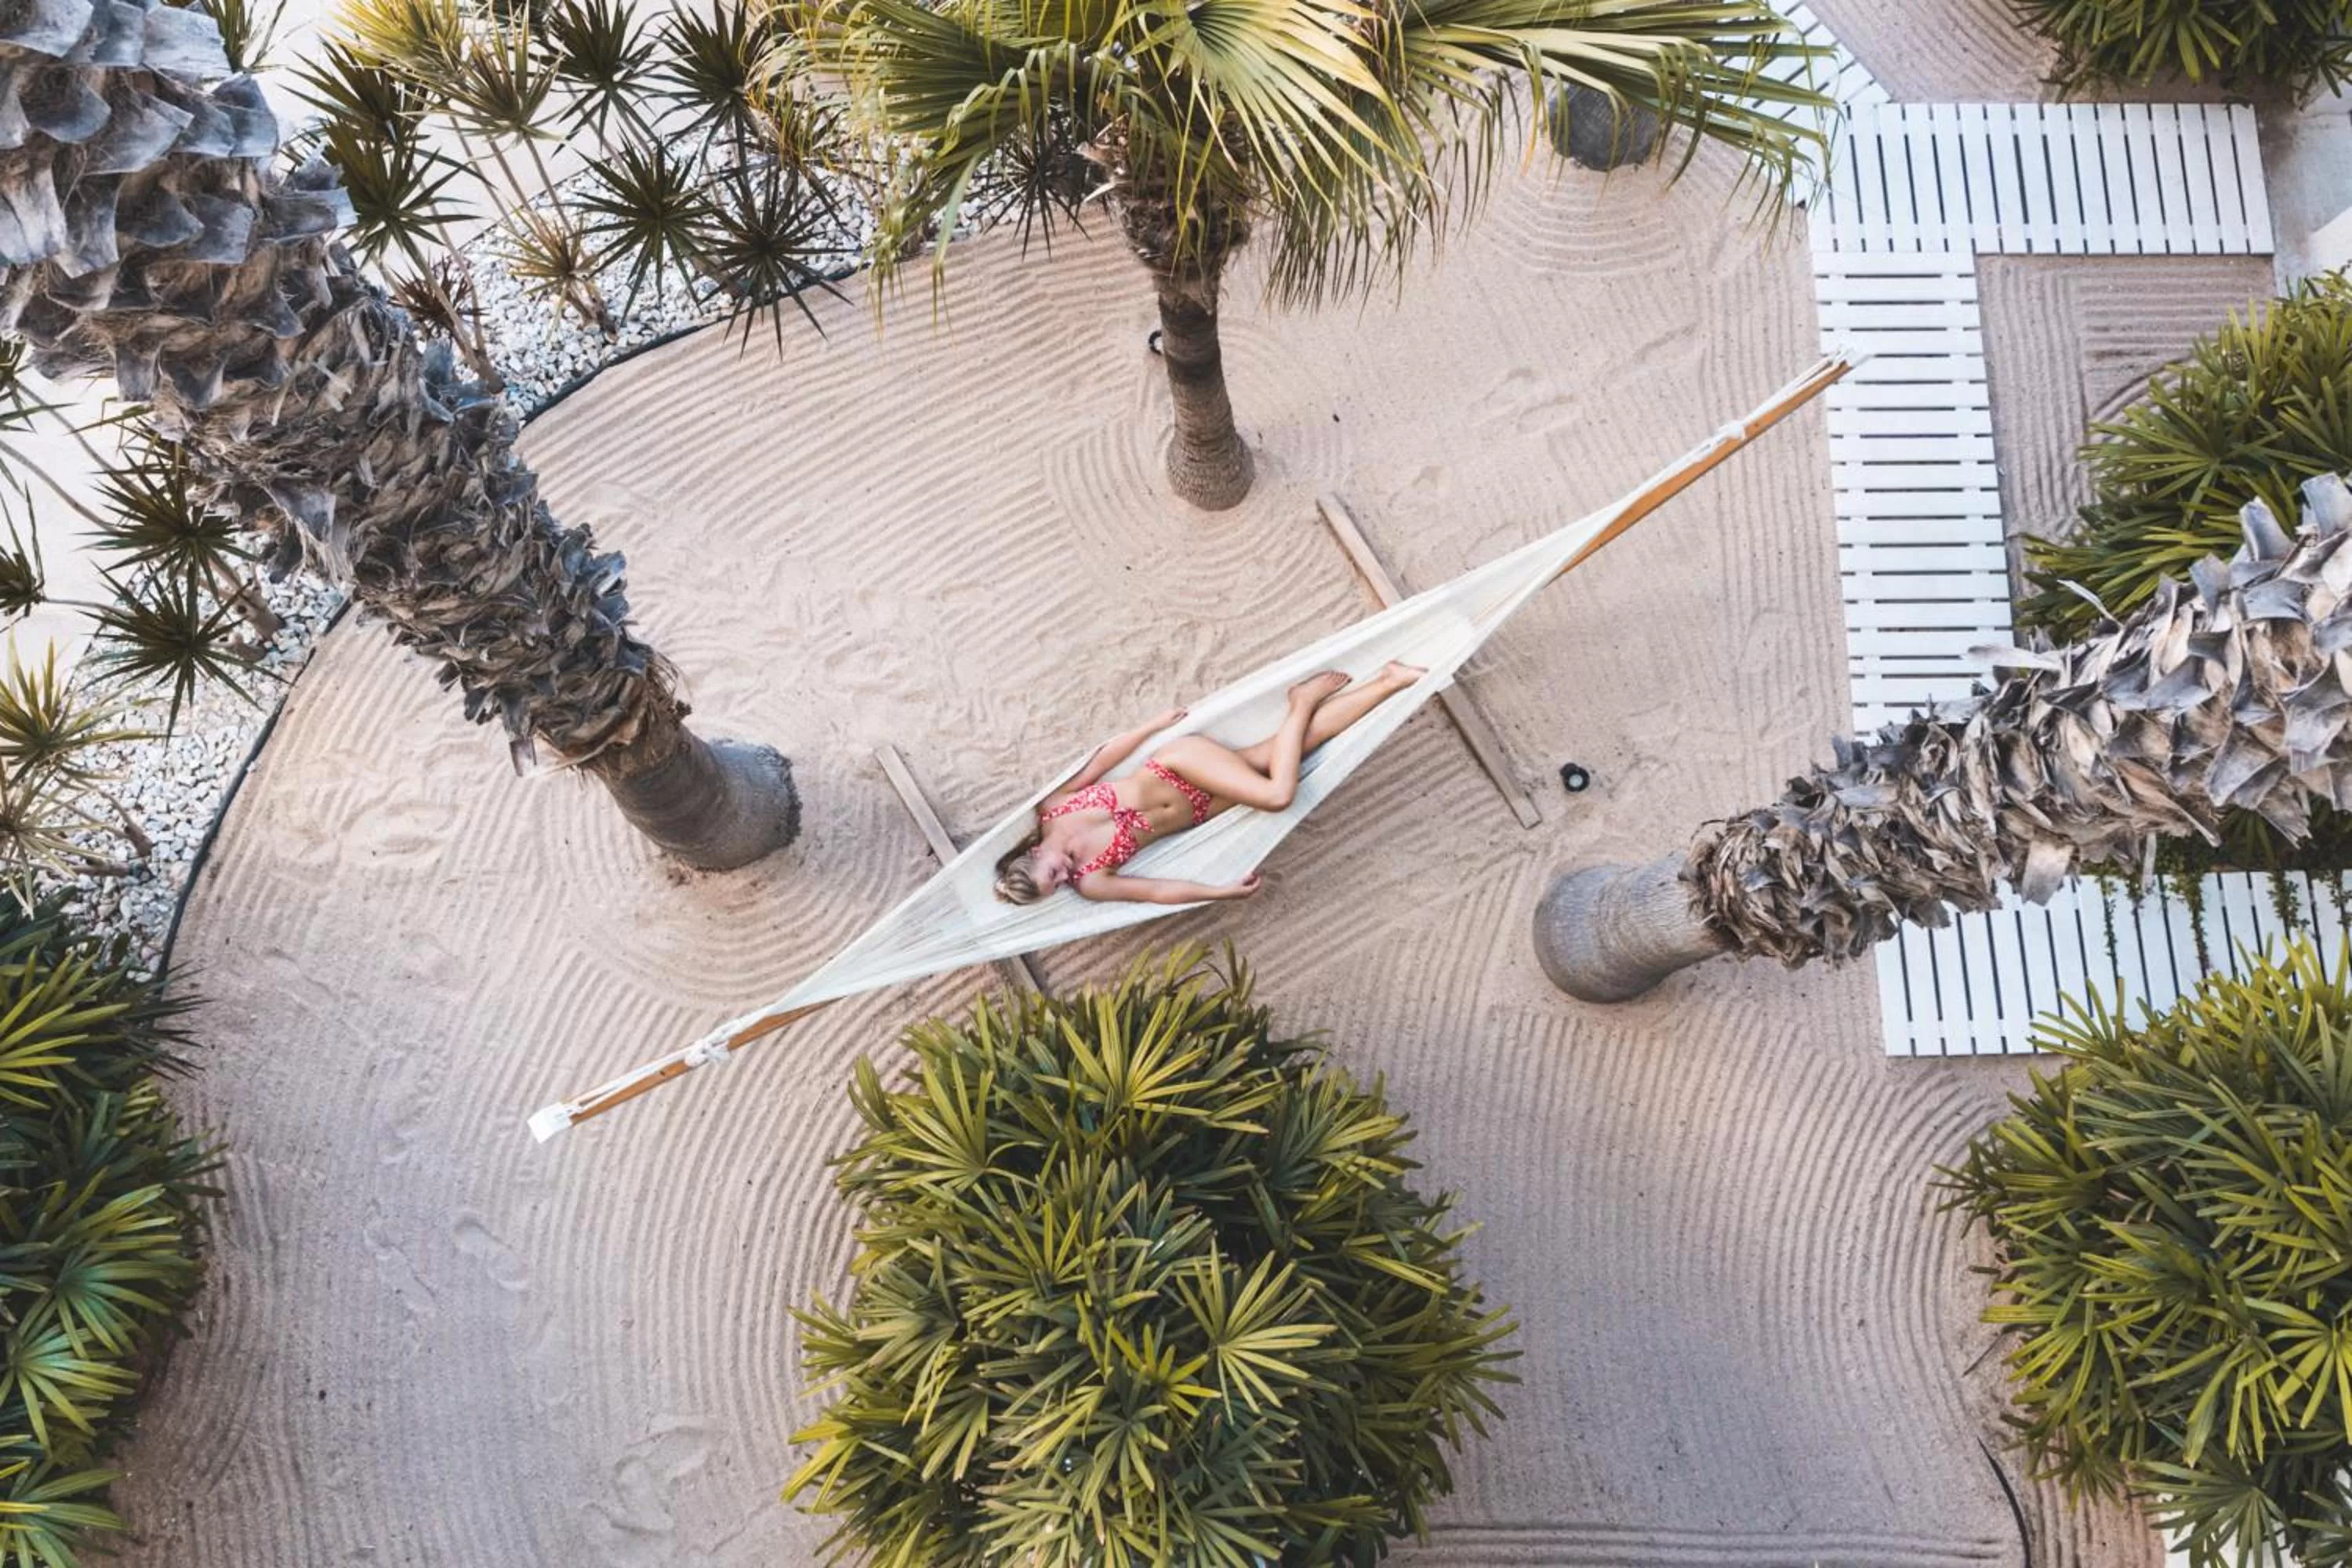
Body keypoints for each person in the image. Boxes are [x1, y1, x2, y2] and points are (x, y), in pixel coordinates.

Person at [993, 662, 1426, 905]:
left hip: (1177, 766)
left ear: (1034, 851)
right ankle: (1388, 681)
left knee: (1277, 795)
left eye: (1054, 871)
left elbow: (1101, 760)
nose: (1065, 875)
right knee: (1290, 750)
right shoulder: (1091, 882)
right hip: (1202, 808)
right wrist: (1217, 892)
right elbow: (1156, 891)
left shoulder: (1054, 808)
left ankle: (1302, 700)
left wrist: (1151, 727)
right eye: (1058, 885)